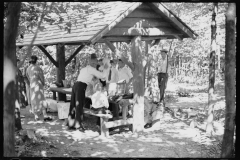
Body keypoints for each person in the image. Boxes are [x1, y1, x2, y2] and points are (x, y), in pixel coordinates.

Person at [67, 53, 109, 131]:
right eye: (95, 62)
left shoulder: (85, 69)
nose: (95, 63)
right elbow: (102, 76)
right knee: (79, 105)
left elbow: (92, 79)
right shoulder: (91, 69)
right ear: (93, 62)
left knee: (73, 105)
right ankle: (78, 125)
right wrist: (106, 69)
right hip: (81, 86)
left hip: (76, 85)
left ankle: (70, 123)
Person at [26, 55, 52, 121]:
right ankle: (45, 115)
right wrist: (43, 83)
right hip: (38, 84)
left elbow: (27, 77)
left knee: (33, 99)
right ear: (36, 61)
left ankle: (36, 115)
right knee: (41, 99)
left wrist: (31, 82)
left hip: (32, 85)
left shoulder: (28, 68)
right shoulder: (38, 68)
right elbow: (41, 77)